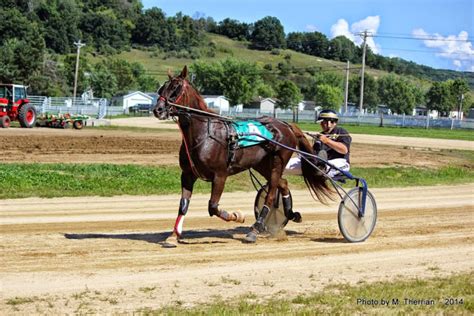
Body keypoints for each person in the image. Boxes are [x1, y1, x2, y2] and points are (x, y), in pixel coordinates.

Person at [285, 109, 351, 178]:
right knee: (284, 164)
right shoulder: (320, 135)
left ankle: (320, 168)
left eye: (322, 122)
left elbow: (344, 150)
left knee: (323, 165)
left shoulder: (341, 131)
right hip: (318, 162)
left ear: (330, 122)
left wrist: (327, 141)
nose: (321, 124)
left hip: (340, 163)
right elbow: (313, 153)